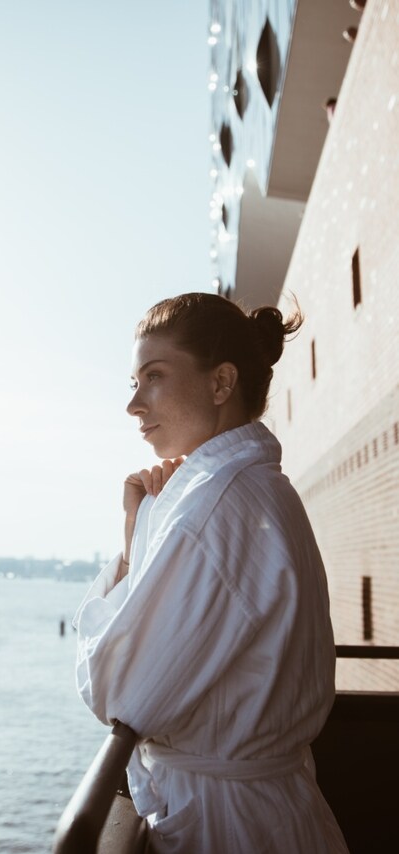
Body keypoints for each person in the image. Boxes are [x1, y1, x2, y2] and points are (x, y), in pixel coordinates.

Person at [73, 293, 348, 853]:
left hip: (229, 827)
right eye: (134, 382)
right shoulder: (258, 489)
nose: (133, 404)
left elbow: (117, 691)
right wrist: (141, 532)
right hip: (270, 810)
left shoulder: (212, 510)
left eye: (154, 376)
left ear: (221, 383)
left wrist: (135, 547)